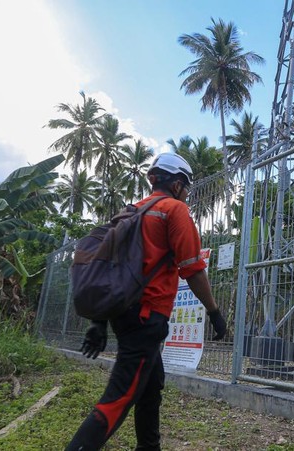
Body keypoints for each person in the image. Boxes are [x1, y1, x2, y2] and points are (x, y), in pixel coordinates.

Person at [67, 153, 227, 451]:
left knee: (151, 387)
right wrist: (214, 312)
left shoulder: (133, 211)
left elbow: (108, 266)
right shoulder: (173, 210)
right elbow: (192, 269)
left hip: (124, 312)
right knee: (120, 397)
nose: (187, 193)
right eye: (187, 187)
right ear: (177, 184)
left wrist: (98, 322)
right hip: (146, 316)